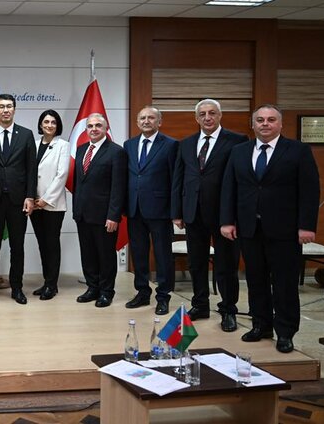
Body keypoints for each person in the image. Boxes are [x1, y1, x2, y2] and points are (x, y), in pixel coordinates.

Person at [220, 104, 320, 353]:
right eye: (260, 120)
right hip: (249, 228)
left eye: (271, 119)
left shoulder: (298, 151)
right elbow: (229, 188)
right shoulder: (239, 151)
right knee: (255, 280)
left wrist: (306, 226)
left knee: (285, 283)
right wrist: (227, 220)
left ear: (280, 124)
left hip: (285, 230)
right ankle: (260, 325)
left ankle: (285, 332)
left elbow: (309, 190)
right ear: (253, 125)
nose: (265, 124)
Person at [171, 99, 248, 332]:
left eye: (212, 113)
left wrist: (233, 216)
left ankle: (228, 310)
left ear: (220, 115)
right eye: (202, 114)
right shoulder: (186, 144)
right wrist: (177, 212)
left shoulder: (237, 141)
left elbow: (239, 181)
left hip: (224, 216)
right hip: (193, 213)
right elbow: (178, 179)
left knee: (226, 265)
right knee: (196, 263)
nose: (207, 117)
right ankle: (200, 304)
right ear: (196, 118)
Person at [0, 94, 37, 305]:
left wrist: (30, 196)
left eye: (9, 106)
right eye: (1, 107)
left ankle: (17, 288)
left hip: (18, 201)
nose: (5, 110)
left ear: (14, 109)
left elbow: (31, 169)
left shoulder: (26, 135)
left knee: (17, 247)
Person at [123, 105, 178, 316]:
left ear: (159, 122)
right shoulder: (129, 145)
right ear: (138, 122)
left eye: (151, 118)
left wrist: (175, 211)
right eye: (142, 118)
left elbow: (175, 180)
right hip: (135, 208)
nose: (146, 121)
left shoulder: (171, 145)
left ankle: (163, 296)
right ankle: (142, 292)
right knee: (138, 253)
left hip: (160, 209)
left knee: (163, 255)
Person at [71, 113, 126, 307]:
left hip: (104, 216)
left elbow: (118, 187)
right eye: (90, 126)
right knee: (88, 254)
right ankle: (92, 287)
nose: (93, 129)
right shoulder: (81, 150)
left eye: (98, 126)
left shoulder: (116, 152)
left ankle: (106, 291)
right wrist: (76, 209)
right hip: (83, 213)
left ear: (105, 128)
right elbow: (79, 182)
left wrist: (114, 215)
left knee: (105, 255)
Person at [29, 109, 69, 301]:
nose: (50, 125)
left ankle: (52, 285)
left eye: (53, 122)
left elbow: (61, 175)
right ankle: (47, 282)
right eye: (46, 122)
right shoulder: (34, 145)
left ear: (57, 125)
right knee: (42, 244)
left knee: (52, 244)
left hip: (52, 204)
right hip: (35, 204)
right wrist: (32, 198)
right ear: (40, 124)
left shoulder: (63, 145)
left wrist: (45, 199)